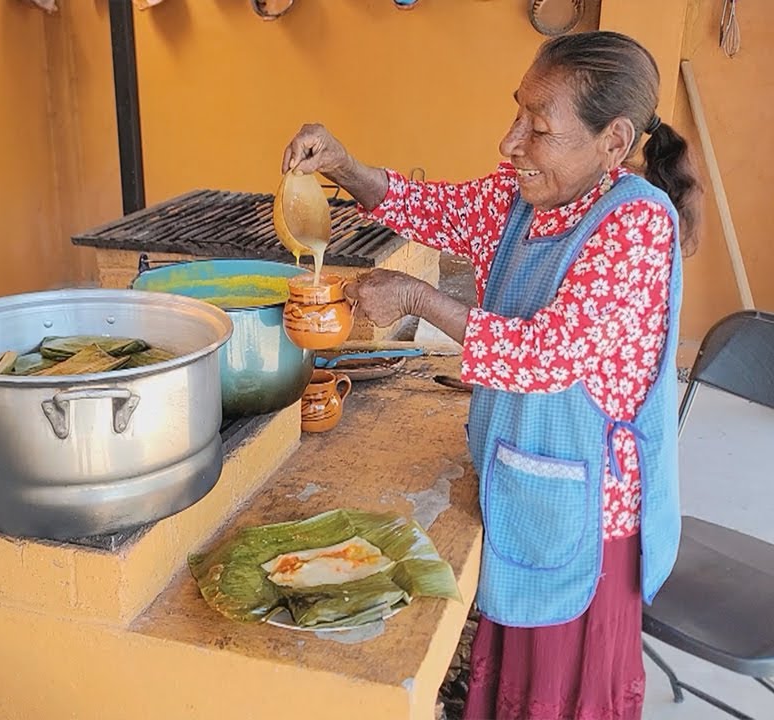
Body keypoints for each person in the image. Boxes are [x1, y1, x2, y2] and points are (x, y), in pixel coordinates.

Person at [281, 31, 701, 720]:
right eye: (517, 116)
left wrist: (418, 299)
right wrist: (345, 166)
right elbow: (435, 208)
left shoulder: (635, 225)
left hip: (584, 518)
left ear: (612, 141)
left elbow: (546, 355)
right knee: (509, 688)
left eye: (537, 128)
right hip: (522, 480)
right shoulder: (519, 197)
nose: (510, 144)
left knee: (559, 699)